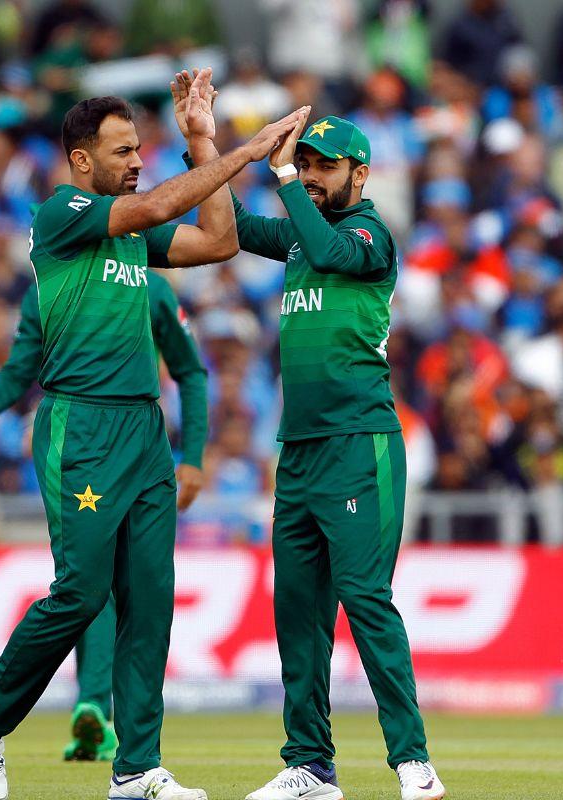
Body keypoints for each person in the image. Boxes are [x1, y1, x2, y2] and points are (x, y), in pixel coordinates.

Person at [0, 70, 305, 800]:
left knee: (149, 600)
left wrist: (202, 138)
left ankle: (137, 769)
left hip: (144, 429)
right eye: (123, 151)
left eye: (141, 148)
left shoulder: (135, 237)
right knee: (80, 594)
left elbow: (218, 240)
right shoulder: (62, 213)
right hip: (80, 426)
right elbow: (153, 207)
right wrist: (245, 151)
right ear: (82, 161)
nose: (139, 160)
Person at [171, 72, 444, 800]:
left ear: (360, 172)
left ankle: (412, 762)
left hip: (361, 442)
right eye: (308, 164)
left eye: (327, 166)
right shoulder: (300, 236)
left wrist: (285, 171)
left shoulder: (369, 235)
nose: (315, 175)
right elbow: (226, 232)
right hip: (299, 452)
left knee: (366, 599)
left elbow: (329, 251)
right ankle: (311, 766)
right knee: (297, 612)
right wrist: (206, 141)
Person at [0, 271, 208, 763]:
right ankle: (15, 712)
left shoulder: (150, 287)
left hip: (141, 446)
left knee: (141, 597)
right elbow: (23, 368)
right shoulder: (52, 283)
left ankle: (129, 755)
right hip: (82, 442)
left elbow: (189, 370)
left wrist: (192, 454)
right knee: (88, 587)